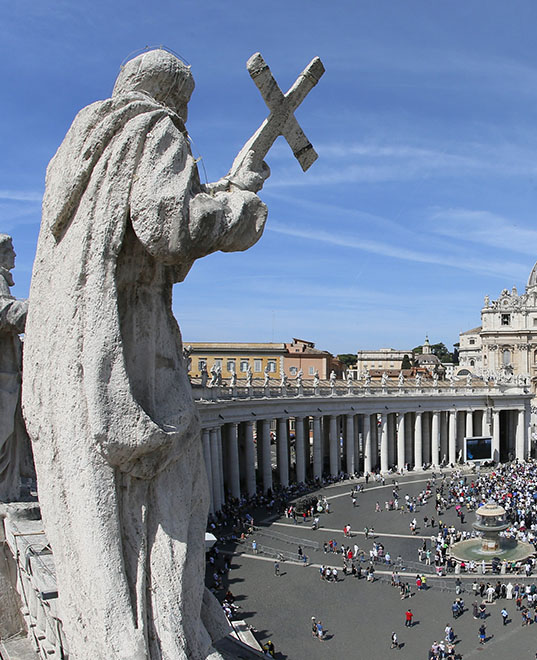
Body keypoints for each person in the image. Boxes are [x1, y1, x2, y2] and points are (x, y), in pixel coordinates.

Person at [23, 48, 271, 660]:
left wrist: (218, 186)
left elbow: (148, 240)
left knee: (99, 515)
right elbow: (168, 223)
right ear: (175, 98)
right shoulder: (153, 127)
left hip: (69, 361)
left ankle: (117, 632)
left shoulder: (79, 154)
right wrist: (239, 205)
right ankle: (168, 630)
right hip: (132, 357)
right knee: (178, 494)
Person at [0, 234, 29, 502]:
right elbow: (3, 313)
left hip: (7, 373)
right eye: (10, 250)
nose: (15, 256)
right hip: (2, 376)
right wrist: (38, 309)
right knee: (3, 434)